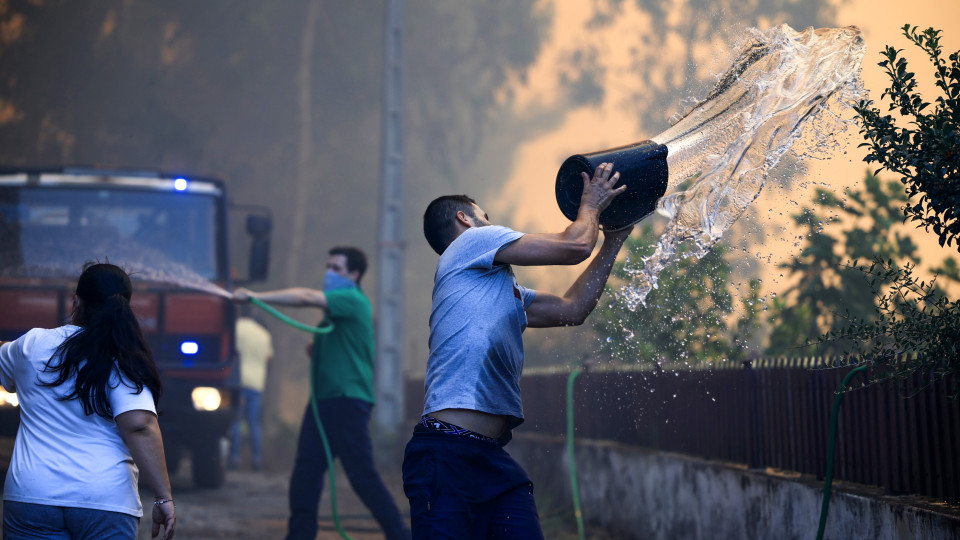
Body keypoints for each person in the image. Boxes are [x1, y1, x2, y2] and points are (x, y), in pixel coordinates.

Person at [404, 162, 632, 538]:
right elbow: (575, 245)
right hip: (445, 454)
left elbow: (572, 309)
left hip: (489, 457)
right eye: (486, 218)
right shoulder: (471, 242)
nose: (494, 227)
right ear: (464, 219)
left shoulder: (500, 289)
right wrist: (590, 204)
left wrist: (614, 240)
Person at [234, 246, 410, 540]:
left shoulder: (352, 300)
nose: (329, 273)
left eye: (336, 268)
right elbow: (335, 346)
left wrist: (255, 296)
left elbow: (305, 297)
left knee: (361, 475)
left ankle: (399, 534)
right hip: (324, 403)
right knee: (306, 471)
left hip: (348, 401)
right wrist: (315, 350)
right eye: (328, 266)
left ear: (354, 274)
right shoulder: (331, 318)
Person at [0, 262, 176, 540]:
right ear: (124, 307)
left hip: (32, 495)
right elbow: (140, 426)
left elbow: (3, 358)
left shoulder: (31, 345)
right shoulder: (123, 356)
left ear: (76, 301)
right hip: (105, 500)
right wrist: (163, 497)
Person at [228, 303, 274, 471]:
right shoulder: (264, 334)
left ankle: (234, 458)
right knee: (254, 423)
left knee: (237, 421)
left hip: (238, 382)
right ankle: (256, 460)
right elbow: (269, 360)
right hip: (256, 383)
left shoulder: (235, 328)